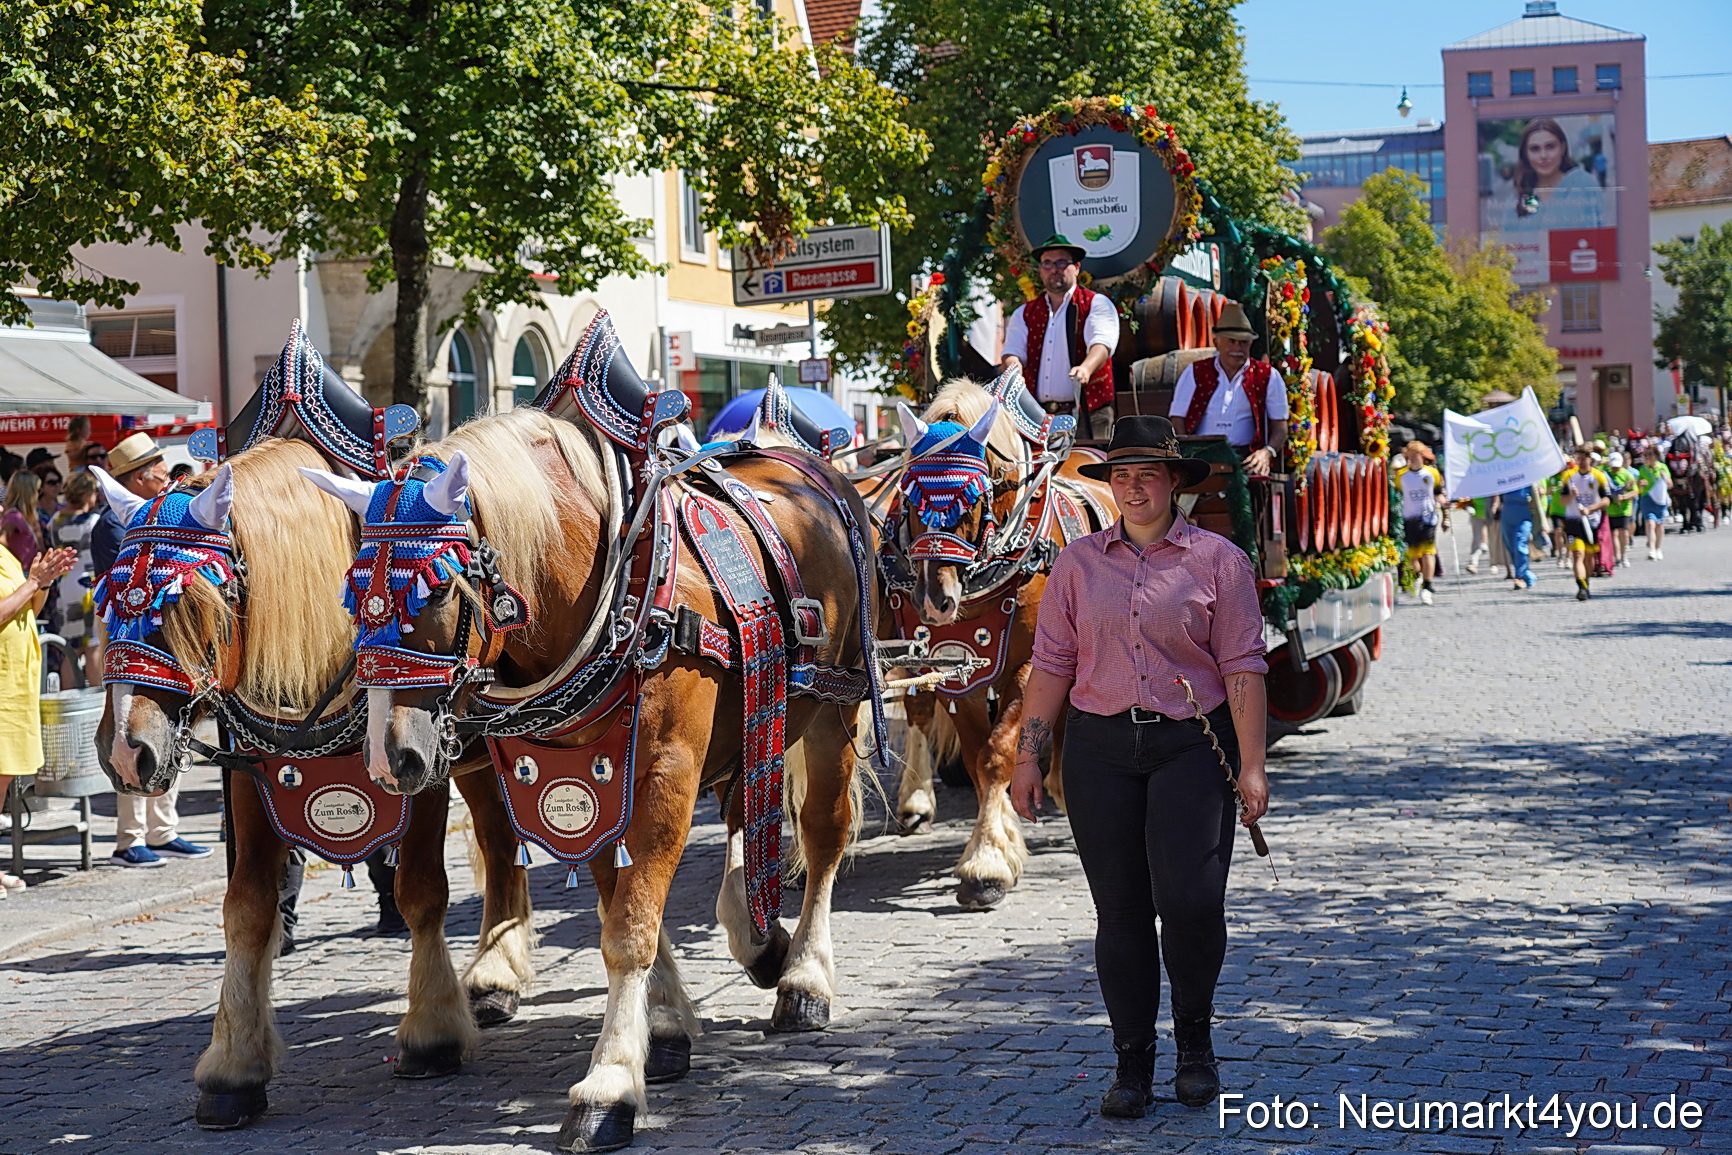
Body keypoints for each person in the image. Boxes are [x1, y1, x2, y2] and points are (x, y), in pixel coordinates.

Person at [1010, 416, 1269, 1120]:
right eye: (1120, 476)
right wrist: (1028, 754)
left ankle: (1194, 1041)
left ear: (1175, 482)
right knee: (1119, 911)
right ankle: (1132, 1062)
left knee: (1190, 900)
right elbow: (1053, 665)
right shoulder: (1077, 564)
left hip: (1192, 744)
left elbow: (1243, 664)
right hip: (1098, 750)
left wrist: (1251, 764)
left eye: (1146, 475)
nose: (1131, 488)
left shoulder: (1218, 560)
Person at [90, 434, 210, 867]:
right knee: (127, 728)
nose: (168, 477)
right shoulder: (115, 522)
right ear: (140, 478)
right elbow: (124, 586)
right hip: (130, 633)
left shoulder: (163, 512)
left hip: (162, 632)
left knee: (169, 725)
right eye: (160, 471)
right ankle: (131, 838)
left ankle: (163, 830)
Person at [0, 543, 77, 893]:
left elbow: (29, 609)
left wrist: (43, 584)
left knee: (4, 778)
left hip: (15, 683)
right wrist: (32, 583)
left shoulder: (5, 554)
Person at [1000, 234, 1120, 439]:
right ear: (1040, 270)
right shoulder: (1025, 312)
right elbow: (1012, 352)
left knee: (1089, 468)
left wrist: (1086, 368)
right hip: (1037, 415)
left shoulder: (1096, 303)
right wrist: (1015, 372)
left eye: (1062, 262)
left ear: (1077, 267)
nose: (1054, 269)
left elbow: (1102, 343)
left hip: (1089, 412)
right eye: (1047, 263)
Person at [1168, 302, 1288, 475]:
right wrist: (1186, 453)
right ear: (1216, 343)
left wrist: (1267, 452)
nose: (1237, 349)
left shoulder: (1268, 375)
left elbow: (1280, 427)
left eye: (1243, 343)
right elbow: (1177, 418)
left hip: (1247, 458)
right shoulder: (1195, 372)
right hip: (1202, 456)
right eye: (1231, 342)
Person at [1499, 117, 1606, 232]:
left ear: (1562, 148)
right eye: (1535, 149)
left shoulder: (1584, 184)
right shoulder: (1516, 200)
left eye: (1550, 147)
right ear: (1525, 154)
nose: (1543, 156)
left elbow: (1600, 237)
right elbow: (1508, 246)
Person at [52, 471, 103, 686]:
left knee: (70, 648)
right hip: (88, 586)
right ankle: (96, 704)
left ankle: (70, 698)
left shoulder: (56, 520)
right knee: (93, 646)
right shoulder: (94, 521)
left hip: (66, 586)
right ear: (85, 493)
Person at [1394, 441, 1446, 605]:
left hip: (1428, 518)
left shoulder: (1432, 473)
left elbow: (1438, 493)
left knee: (1428, 552)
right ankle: (1417, 576)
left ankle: (1427, 586)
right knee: (1412, 556)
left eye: (1417, 455)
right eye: (1411, 456)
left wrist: (1444, 505)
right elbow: (1397, 496)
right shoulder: (1402, 475)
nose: (1414, 459)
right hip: (1409, 517)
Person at [1559, 446, 1611, 601]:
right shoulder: (1568, 476)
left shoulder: (1598, 476)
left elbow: (1607, 500)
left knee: (1589, 557)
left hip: (1592, 523)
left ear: (1590, 459)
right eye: (1578, 459)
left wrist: (1590, 509)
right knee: (1578, 554)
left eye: (1583, 459)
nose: (1579, 462)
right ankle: (1581, 587)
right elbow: (1562, 501)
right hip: (1573, 521)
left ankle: (1586, 583)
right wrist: (1572, 496)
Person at [1496, 483, 1537, 591]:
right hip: (1507, 513)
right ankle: (1527, 575)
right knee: (1511, 546)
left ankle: (1519, 577)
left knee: (1520, 545)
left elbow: (1537, 498)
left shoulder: (1527, 479)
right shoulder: (1504, 479)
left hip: (1523, 514)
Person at [1, 471, 43, 570]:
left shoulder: (28, 516)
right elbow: (2, 540)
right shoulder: (14, 516)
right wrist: (14, 563)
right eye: (37, 490)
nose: (39, 494)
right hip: (21, 572)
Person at [1636, 445, 1671, 560]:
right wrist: (1641, 483)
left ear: (1656, 455)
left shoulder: (1663, 467)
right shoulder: (1643, 469)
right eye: (1646, 455)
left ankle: (1658, 548)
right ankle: (1651, 549)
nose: (1648, 457)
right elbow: (1638, 484)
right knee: (1650, 523)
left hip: (1660, 499)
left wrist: (1665, 478)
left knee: (1659, 525)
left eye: (1650, 454)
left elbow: (1670, 485)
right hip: (1647, 498)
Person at [1603, 451, 1637, 568]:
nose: (1615, 469)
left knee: (1624, 532)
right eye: (1613, 466)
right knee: (1613, 533)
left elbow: (1635, 491)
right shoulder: (1605, 474)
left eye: (1617, 466)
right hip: (1611, 509)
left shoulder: (1627, 475)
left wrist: (1624, 497)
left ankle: (1624, 556)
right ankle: (1617, 557)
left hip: (1624, 508)